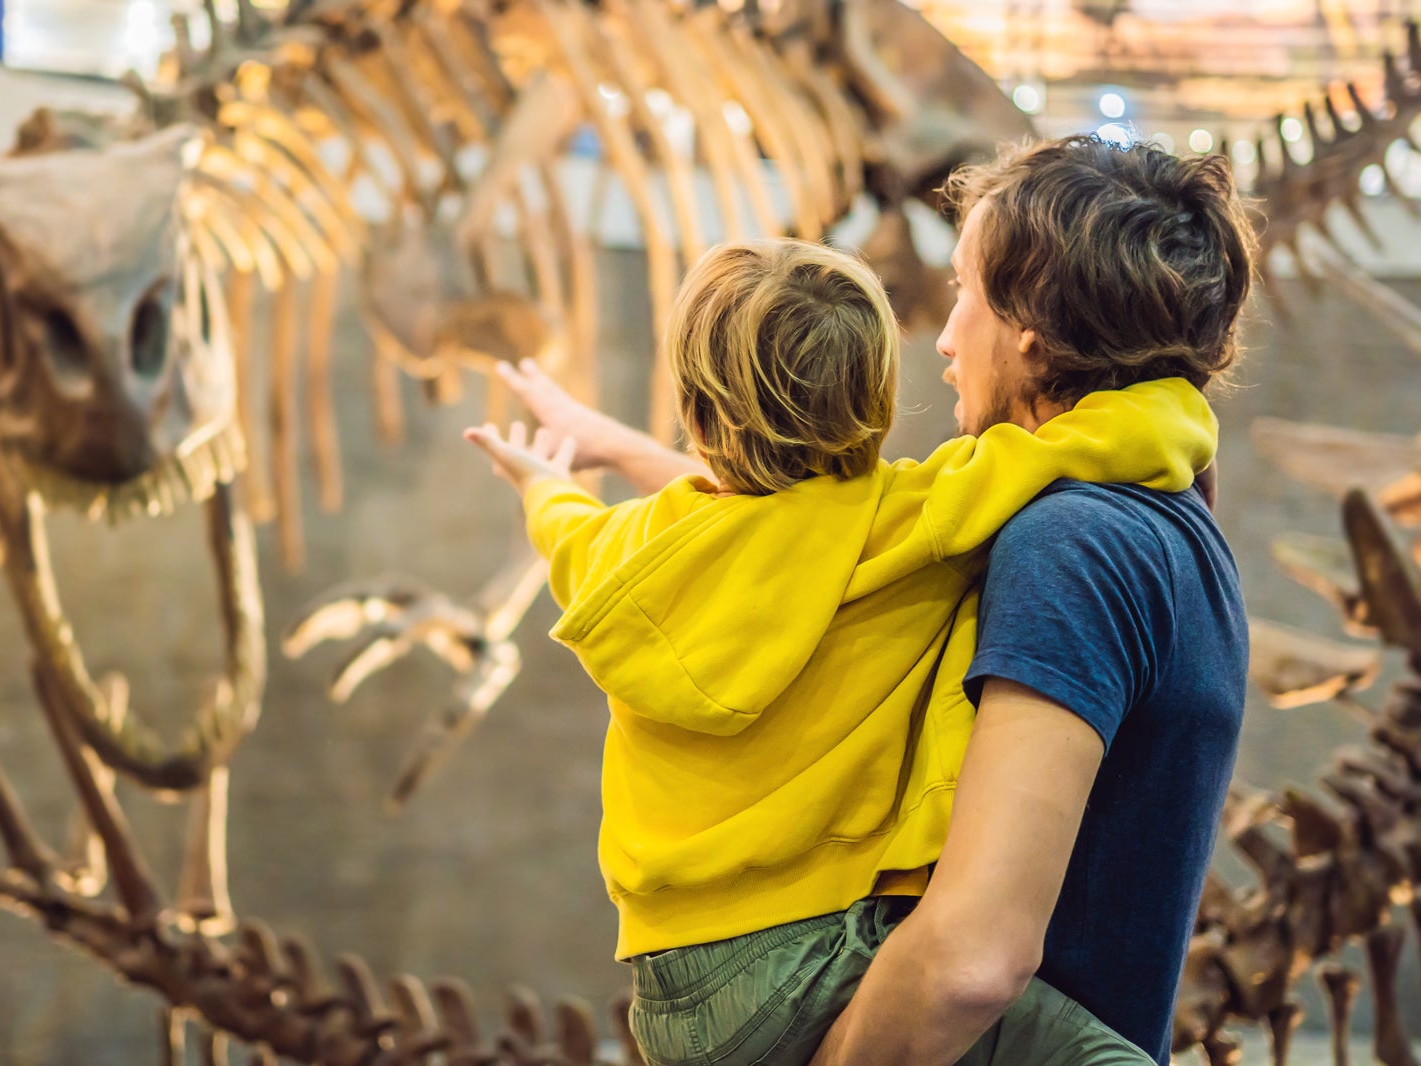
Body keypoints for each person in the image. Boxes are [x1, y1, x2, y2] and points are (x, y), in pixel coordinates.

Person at [485, 135, 1254, 1066]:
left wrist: (561, 480)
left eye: (964, 288)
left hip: (677, 979)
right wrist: (1180, 418)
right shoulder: (1141, 521)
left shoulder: (1073, 545)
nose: (940, 332)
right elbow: (819, 536)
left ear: (1031, 328)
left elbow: (970, 963)